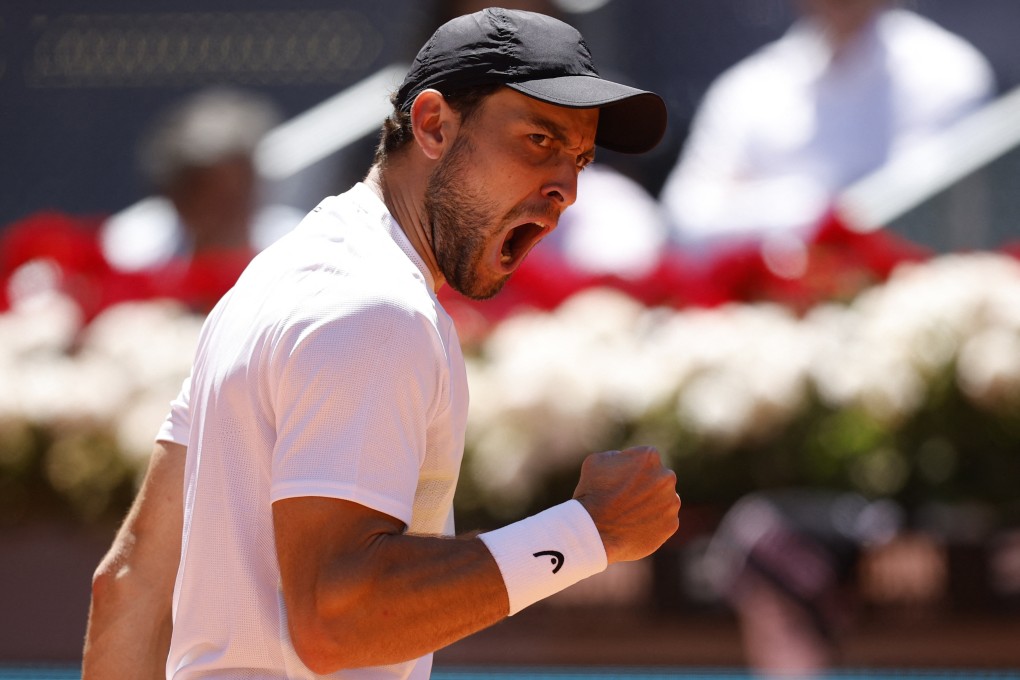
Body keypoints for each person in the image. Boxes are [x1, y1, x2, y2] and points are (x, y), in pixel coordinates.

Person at [82, 8, 679, 679]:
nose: (566, 189)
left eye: (580, 158)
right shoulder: (374, 307)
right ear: (433, 126)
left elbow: (131, 582)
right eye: (540, 140)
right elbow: (337, 619)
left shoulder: (277, 277)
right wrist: (586, 532)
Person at [659, 0, 995, 261]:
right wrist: (814, 206)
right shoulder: (748, 87)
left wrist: (755, 202)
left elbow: (913, 215)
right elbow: (686, 217)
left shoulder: (948, 71)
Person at [99, 87, 303, 309]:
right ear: (177, 196)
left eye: (242, 192)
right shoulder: (129, 247)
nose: (234, 211)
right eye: (217, 199)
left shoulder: (297, 243)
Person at [703, 489, 902, 677]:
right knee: (790, 625)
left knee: (795, 624)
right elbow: (819, 591)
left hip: (743, 535)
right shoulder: (851, 539)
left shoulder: (847, 535)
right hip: (748, 538)